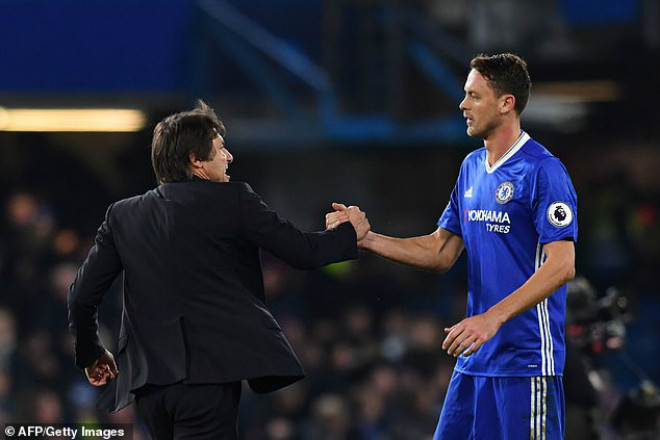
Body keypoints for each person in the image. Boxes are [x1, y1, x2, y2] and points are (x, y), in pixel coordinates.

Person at [67, 100, 370, 439]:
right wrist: (350, 232)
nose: (229, 157)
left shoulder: (123, 215)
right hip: (207, 379)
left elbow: (81, 296)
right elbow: (302, 252)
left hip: (148, 386)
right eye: (220, 148)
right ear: (195, 160)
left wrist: (91, 352)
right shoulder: (233, 200)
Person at [328, 53, 577, 439]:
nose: (463, 105)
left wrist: (491, 318)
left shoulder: (543, 171)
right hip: (475, 358)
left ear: (506, 103)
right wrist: (368, 239)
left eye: (474, 96)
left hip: (524, 361)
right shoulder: (471, 168)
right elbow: (441, 251)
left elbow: (562, 265)